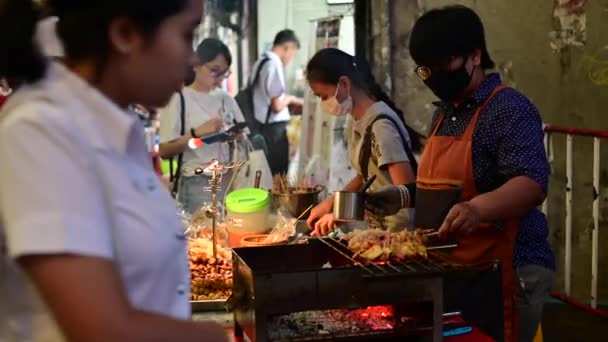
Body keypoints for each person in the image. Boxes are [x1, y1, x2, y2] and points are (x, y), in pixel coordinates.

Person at [0, 1, 227, 341]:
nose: (191, 58)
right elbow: (101, 331)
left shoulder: (113, 128)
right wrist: (211, 337)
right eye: (186, 34)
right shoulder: (41, 130)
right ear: (126, 34)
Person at [365, 5, 555, 342]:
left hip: (509, 270)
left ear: (475, 56)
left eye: (445, 64)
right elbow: (444, 189)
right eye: (426, 69)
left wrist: (477, 209)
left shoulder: (507, 108)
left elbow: (531, 182)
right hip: (461, 271)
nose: (436, 76)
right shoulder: (445, 114)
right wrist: (402, 195)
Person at [305, 48, 422, 235]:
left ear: (344, 83)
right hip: (379, 230)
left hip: (399, 233)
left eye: (324, 96)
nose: (323, 103)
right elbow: (365, 175)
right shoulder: (356, 120)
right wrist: (332, 203)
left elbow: (406, 193)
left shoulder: (381, 126)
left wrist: (341, 213)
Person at [159, 38, 247, 214]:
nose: (220, 79)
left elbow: (244, 138)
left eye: (224, 73)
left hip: (228, 180)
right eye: (214, 71)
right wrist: (197, 133)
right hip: (196, 184)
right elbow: (164, 150)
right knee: (203, 238)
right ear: (196, 65)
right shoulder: (179, 99)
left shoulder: (226, 99)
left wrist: (235, 137)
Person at [251, 29, 304, 176]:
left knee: (266, 174)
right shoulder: (274, 64)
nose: (291, 58)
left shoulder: (261, 62)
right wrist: (292, 99)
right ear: (288, 48)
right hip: (273, 132)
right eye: (293, 54)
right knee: (278, 176)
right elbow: (276, 106)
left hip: (262, 127)